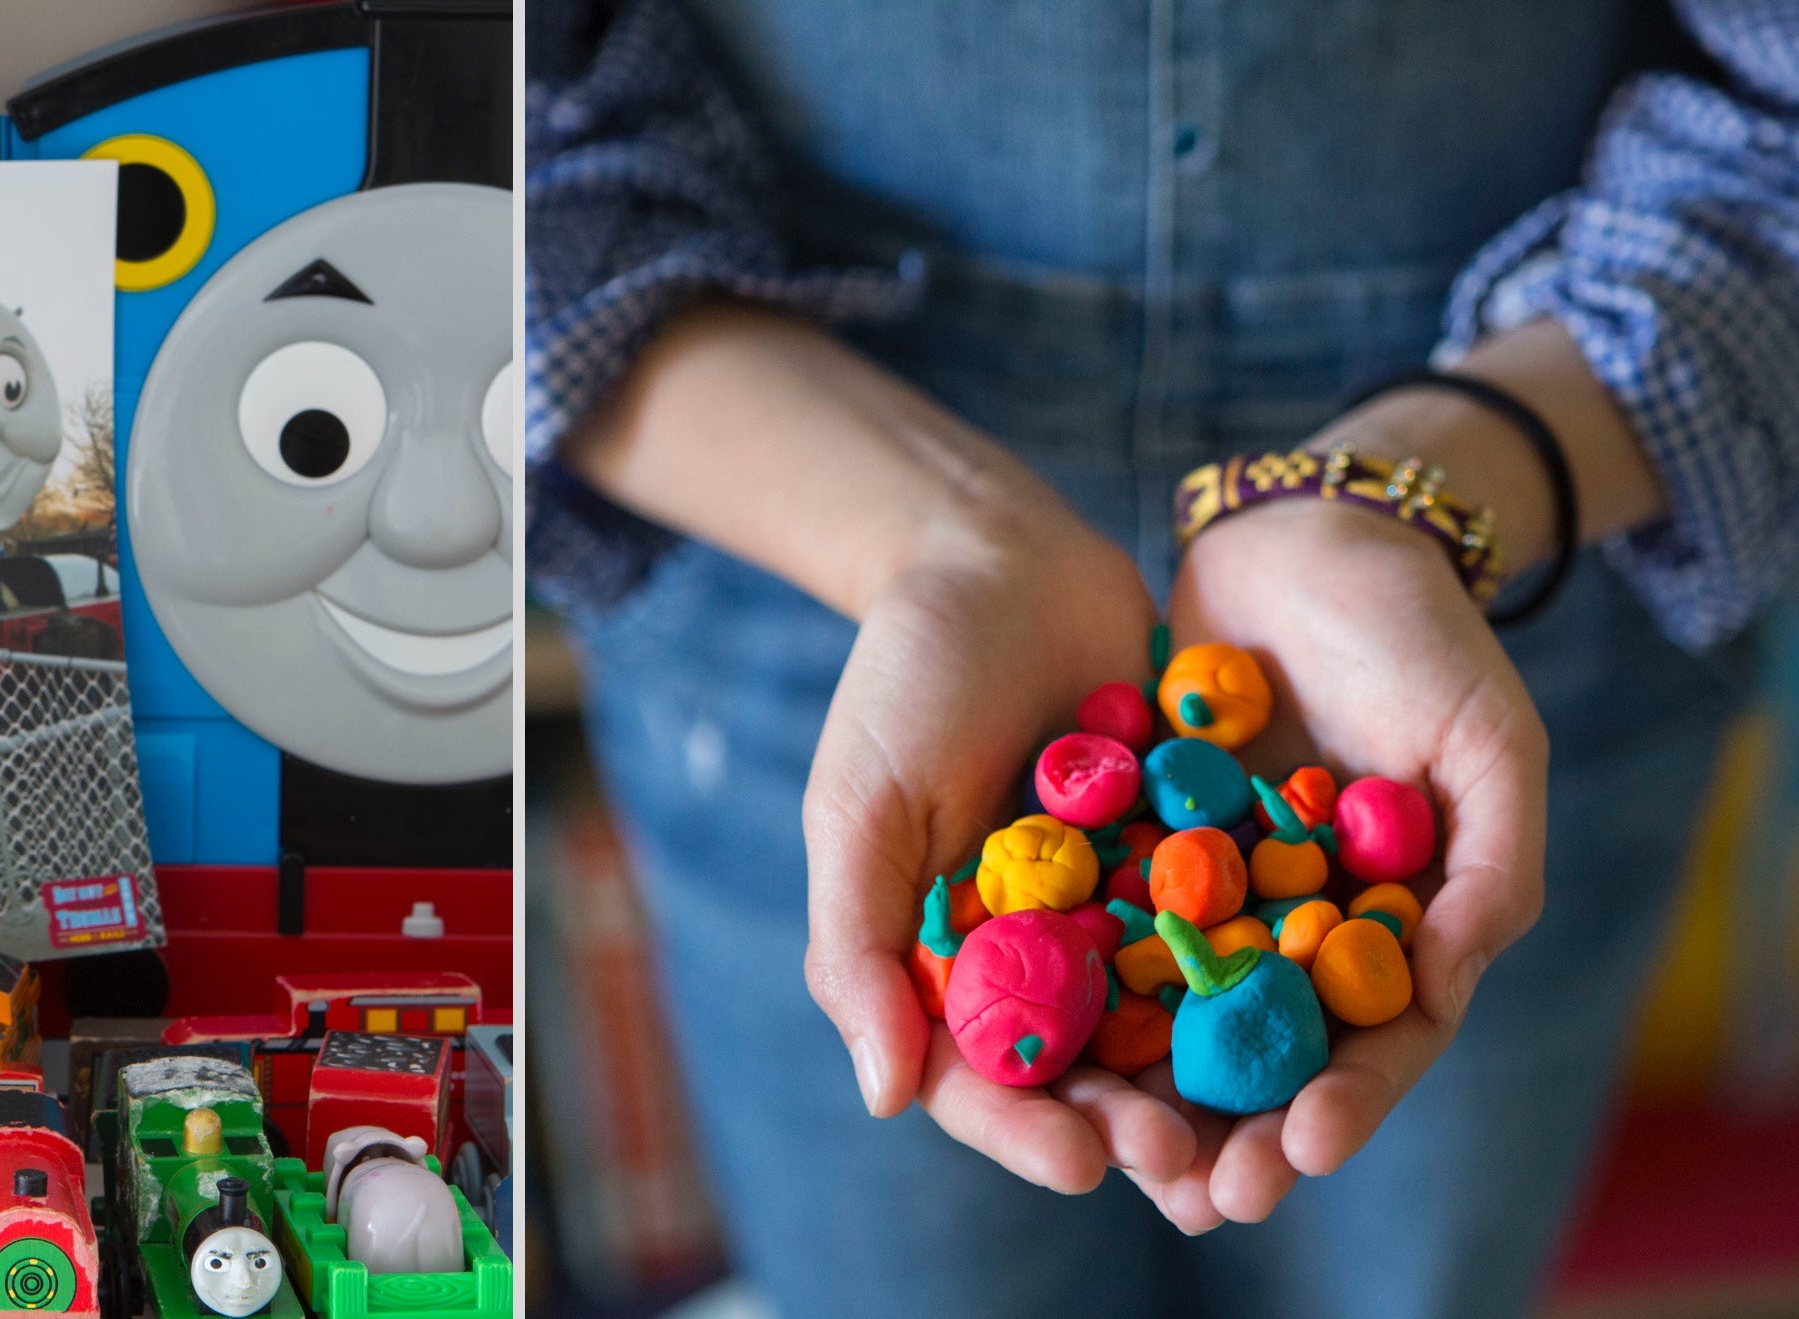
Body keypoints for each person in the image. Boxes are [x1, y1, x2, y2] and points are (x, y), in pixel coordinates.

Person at [528, 2, 1798, 1315]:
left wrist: (1438, 477)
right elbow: (495, 161)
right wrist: (935, 543)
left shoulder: (1253, 866)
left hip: (1519, 558)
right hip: (807, 556)